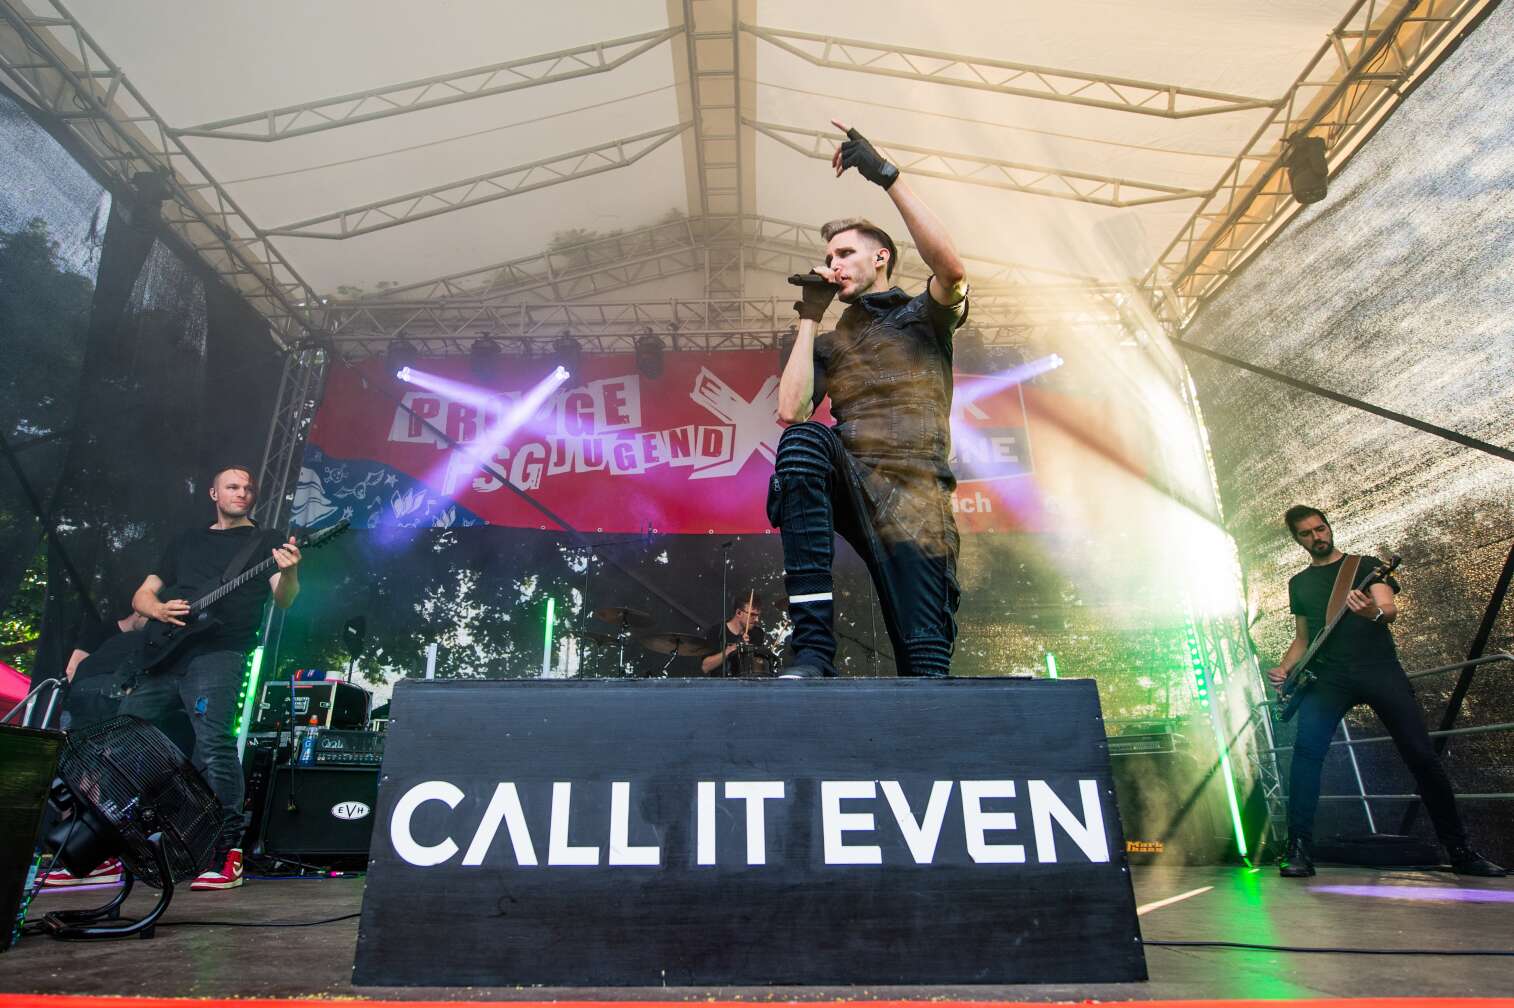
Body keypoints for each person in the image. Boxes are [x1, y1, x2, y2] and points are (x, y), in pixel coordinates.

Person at [770, 119, 967, 678]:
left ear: (881, 258)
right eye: (828, 256)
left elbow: (951, 269)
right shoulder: (832, 342)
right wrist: (810, 316)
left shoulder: (922, 315)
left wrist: (887, 177)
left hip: (916, 499)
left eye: (844, 253)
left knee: (925, 666)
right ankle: (813, 652)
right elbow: (790, 412)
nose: (832, 263)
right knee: (805, 442)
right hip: (855, 475)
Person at [1266, 505, 1503, 878]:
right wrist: (1284, 668)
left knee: (1422, 756)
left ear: (1329, 527)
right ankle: (1297, 850)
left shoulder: (1367, 566)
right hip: (1327, 679)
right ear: (1298, 540)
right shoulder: (1299, 583)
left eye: (1320, 528)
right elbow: (1302, 639)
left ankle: (1460, 850)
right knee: (1306, 758)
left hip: (1379, 671)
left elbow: (1388, 609)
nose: (1318, 536)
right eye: (1307, 533)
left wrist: (1371, 613)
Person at [121, 465, 302, 890]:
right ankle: (114, 849)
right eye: (233, 487)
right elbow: (142, 594)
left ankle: (226, 854)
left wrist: (291, 570)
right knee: (124, 739)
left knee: (215, 745)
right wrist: (159, 610)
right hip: (166, 654)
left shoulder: (266, 540)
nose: (242, 493)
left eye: (248, 488)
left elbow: (286, 598)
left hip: (220, 654)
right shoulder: (186, 540)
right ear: (213, 493)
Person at [701, 594, 768, 676]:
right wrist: (729, 651)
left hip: (748, 684)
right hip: (720, 685)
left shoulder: (757, 633)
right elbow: (705, 667)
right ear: (738, 613)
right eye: (752, 615)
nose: (757, 619)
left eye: (758, 615)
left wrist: (748, 651)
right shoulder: (717, 631)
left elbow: (758, 666)